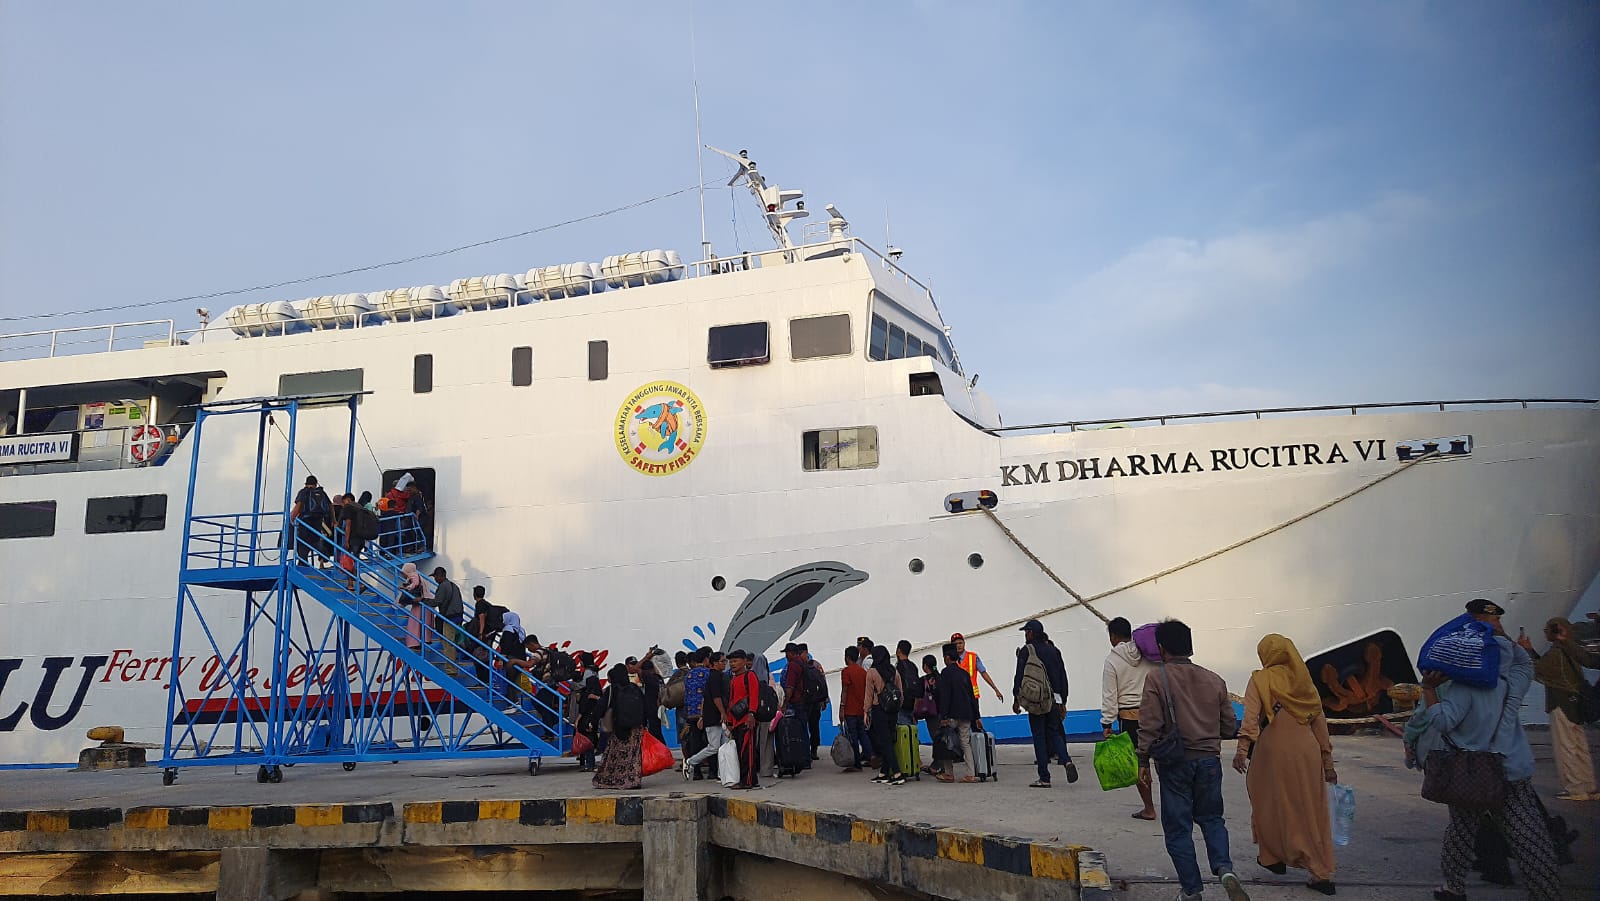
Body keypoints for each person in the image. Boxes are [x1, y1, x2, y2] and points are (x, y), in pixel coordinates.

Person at [1409, 605, 1560, 901]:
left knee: (1462, 831)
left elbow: (1443, 722)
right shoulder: (1511, 683)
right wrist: (1504, 637)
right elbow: (1525, 664)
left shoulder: (1463, 690)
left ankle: (1453, 887)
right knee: (1528, 834)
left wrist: (1428, 690)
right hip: (1512, 768)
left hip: (1472, 772)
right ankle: (1547, 893)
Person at [1136, 619, 1249, 901]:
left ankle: (1191, 891)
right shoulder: (1214, 679)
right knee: (1212, 818)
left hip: (1175, 763)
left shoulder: (1157, 679)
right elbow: (1228, 726)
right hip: (1209, 761)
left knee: (1178, 830)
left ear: (1161, 648)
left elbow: (1150, 724)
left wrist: (1142, 760)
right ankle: (1225, 869)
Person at [1232, 634, 1338, 895]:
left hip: (1273, 751)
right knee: (1311, 808)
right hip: (1308, 750)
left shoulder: (1260, 679)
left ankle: (1272, 856)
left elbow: (1251, 718)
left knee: (1268, 802)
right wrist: (1328, 764)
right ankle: (1321, 872)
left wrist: (1242, 750)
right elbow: (1320, 724)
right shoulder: (1304, 681)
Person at [1517, 616, 1599, 801]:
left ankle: (1575, 788)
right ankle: (1588, 786)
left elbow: (1539, 670)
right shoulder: (1571, 649)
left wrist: (1525, 652)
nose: (1546, 634)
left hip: (1561, 703)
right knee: (1579, 745)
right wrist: (1530, 650)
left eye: (1547, 630)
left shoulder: (1556, 652)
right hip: (1575, 702)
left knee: (1566, 746)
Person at [1013, 619, 1077, 788]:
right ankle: (1067, 761)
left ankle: (1044, 777)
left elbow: (1019, 676)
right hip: (1054, 699)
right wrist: (1063, 700)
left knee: (1039, 737)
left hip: (1036, 701)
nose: (1025, 635)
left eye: (1026, 632)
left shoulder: (1027, 651)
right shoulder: (1054, 650)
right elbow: (1062, 676)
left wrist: (1016, 699)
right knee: (1054, 732)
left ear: (1031, 633)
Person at [1103, 616, 1157, 819]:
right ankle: (1174, 804)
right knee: (1164, 760)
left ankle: (1149, 808)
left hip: (1130, 718)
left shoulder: (1112, 660)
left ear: (1113, 637)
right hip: (1155, 714)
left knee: (1139, 764)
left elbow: (1110, 695)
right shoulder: (1147, 653)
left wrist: (1107, 722)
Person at [593, 663, 646, 790]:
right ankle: (633, 780)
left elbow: (601, 707)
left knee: (616, 755)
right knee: (633, 755)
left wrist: (593, 721)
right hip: (636, 728)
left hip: (619, 728)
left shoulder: (613, 689)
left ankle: (615, 779)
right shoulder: (634, 687)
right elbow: (644, 706)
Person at [935, 643, 978, 784]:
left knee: (946, 740)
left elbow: (945, 696)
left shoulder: (945, 673)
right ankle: (971, 774)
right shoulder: (964, 673)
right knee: (965, 743)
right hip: (966, 713)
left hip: (952, 714)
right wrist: (976, 716)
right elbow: (972, 696)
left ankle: (949, 773)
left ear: (947, 657)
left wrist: (943, 715)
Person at [864, 645, 906, 785]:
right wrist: (897, 707)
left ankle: (897, 773)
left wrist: (865, 712)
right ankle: (884, 773)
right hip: (893, 710)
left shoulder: (872, 672)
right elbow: (900, 693)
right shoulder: (894, 671)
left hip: (879, 709)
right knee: (889, 741)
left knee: (885, 742)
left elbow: (869, 695)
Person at [684, 651, 728, 780]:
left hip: (692, 712)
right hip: (710, 713)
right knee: (714, 745)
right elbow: (714, 696)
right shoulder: (710, 674)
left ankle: (697, 772)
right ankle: (712, 771)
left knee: (696, 742)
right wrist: (722, 712)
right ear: (707, 660)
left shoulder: (689, 674)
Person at [725, 650, 763, 789]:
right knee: (742, 752)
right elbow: (731, 701)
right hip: (736, 722)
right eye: (730, 662)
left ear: (744, 661)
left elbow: (754, 696)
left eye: (735, 661)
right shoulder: (733, 679)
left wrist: (751, 714)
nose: (732, 664)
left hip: (747, 720)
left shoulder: (750, 676)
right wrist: (729, 721)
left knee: (747, 752)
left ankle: (747, 782)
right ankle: (751, 780)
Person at [952, 632, 1005, 711]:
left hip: (972, 696)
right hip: (957, 698)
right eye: (955, 644)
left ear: (964, 643)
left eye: (960, 643)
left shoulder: (973, 657)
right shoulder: (950, 660)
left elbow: (983, 673)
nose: (958, 646)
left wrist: (995, 689)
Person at [290, 475, 333, 565]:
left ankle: (303, 563)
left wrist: (292, 518)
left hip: (305, 522)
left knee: (303, 544)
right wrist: (334, 520)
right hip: (317, 521)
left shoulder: (304, 492)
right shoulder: (322, 493)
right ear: (316, 484)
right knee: (315, 540)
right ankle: (324, 553)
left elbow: (298, 506)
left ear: (306, 484)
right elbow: (330, 506)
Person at [427, 567, 465, 664]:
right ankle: (456, 658)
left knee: (448, 643)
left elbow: (437, 601)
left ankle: (451, 667)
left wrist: (423, 601)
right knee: (452, 640)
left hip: (449, 618)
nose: (435, 579)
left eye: (435, 577)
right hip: (457, 617)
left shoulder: (443, 586)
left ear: (440, 576)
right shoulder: (453, 585)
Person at [840, 646, 869, 771]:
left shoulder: (846, 672)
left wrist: (841, 707)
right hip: (861, 709)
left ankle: (856, 763)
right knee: (863, 734)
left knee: (853, 736)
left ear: (847, 658)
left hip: (850, 709)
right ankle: (871, 755)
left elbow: (845, 691)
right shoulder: (863, 672)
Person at [573, 652, 603, 772]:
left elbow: (584, 708)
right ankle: (587, 762)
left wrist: (573, 685)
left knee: (587, 739)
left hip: (587, 719)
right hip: (592, 717)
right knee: (590, 738)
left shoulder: (588, 691)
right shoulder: (595, 672)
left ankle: (589, 763)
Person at [801, 644, 827, 762]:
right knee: (809, 727)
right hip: (809, 701)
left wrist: (823, 700)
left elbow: (822, 682)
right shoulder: (807, 665)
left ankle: (812, 749)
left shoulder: (814, 665)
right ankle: (809, 750)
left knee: (812, 727)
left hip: (812, 702)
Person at [397, 562, 429, 652]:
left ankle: (414, 643)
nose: (402, 574)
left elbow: (415, 584)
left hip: (419, 605)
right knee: (418, 625)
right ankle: (417, 643)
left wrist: (407, 588)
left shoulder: (414, 577)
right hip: (422, 604)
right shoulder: (417, 577)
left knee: (414, 625)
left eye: (403, 572)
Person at [894, 640, 923, 726]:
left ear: (898, 650)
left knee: (904, 731)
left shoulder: (898, 667)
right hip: (913, 704)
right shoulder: (913, 666)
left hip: (902, 704)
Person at [638, 657, 665, 743]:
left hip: (652, 709)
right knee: (657, 731)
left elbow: (635, 668)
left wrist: (647, 656)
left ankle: (663, 748)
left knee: (654, 733)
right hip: (659, 708)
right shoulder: (659, 678)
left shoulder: (649, 677)